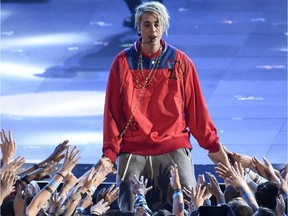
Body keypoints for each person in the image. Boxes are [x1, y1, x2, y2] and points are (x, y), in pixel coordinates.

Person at [101, 1, 229, 214]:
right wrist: (110, 153)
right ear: (138, 27)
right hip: (134, 147)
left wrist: (214, 146)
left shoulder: (180, 62)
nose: (153, 30)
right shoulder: (122, 62)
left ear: (164, 27)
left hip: (172, 144)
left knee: (190, 203)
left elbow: (197, 110)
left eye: (157, 25)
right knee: (129, 206)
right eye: (147, 24)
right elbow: (111, 113)